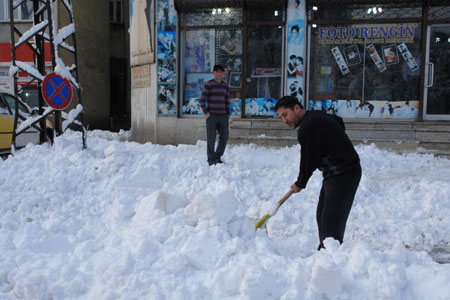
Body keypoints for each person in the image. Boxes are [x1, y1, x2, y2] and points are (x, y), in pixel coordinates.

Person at [274, 95, 361, 250]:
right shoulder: (315, 116)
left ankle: (330, 258)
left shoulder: (308, 127)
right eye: (281, 118)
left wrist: (301, 182)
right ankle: (325, 251)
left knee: (330, 223)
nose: (284, 121)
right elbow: (338, 120)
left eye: (285, 115)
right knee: (322, 214)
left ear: (296, 108)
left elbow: (308, 159)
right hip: (334, 173)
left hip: (344, 173)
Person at [199, 65, 230, 166]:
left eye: (221, 71)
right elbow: (202, 99)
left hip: (223, 116)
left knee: (224, 137)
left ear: (223, 73)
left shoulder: (225, 85)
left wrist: (228, 113)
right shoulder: (209, 84)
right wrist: (206, 112)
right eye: (217, 71)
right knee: (211, 138)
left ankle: (217, 157)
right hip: (212, 116)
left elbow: (227, 100)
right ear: (213, 73)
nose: (219, 73)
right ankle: (211, 159)